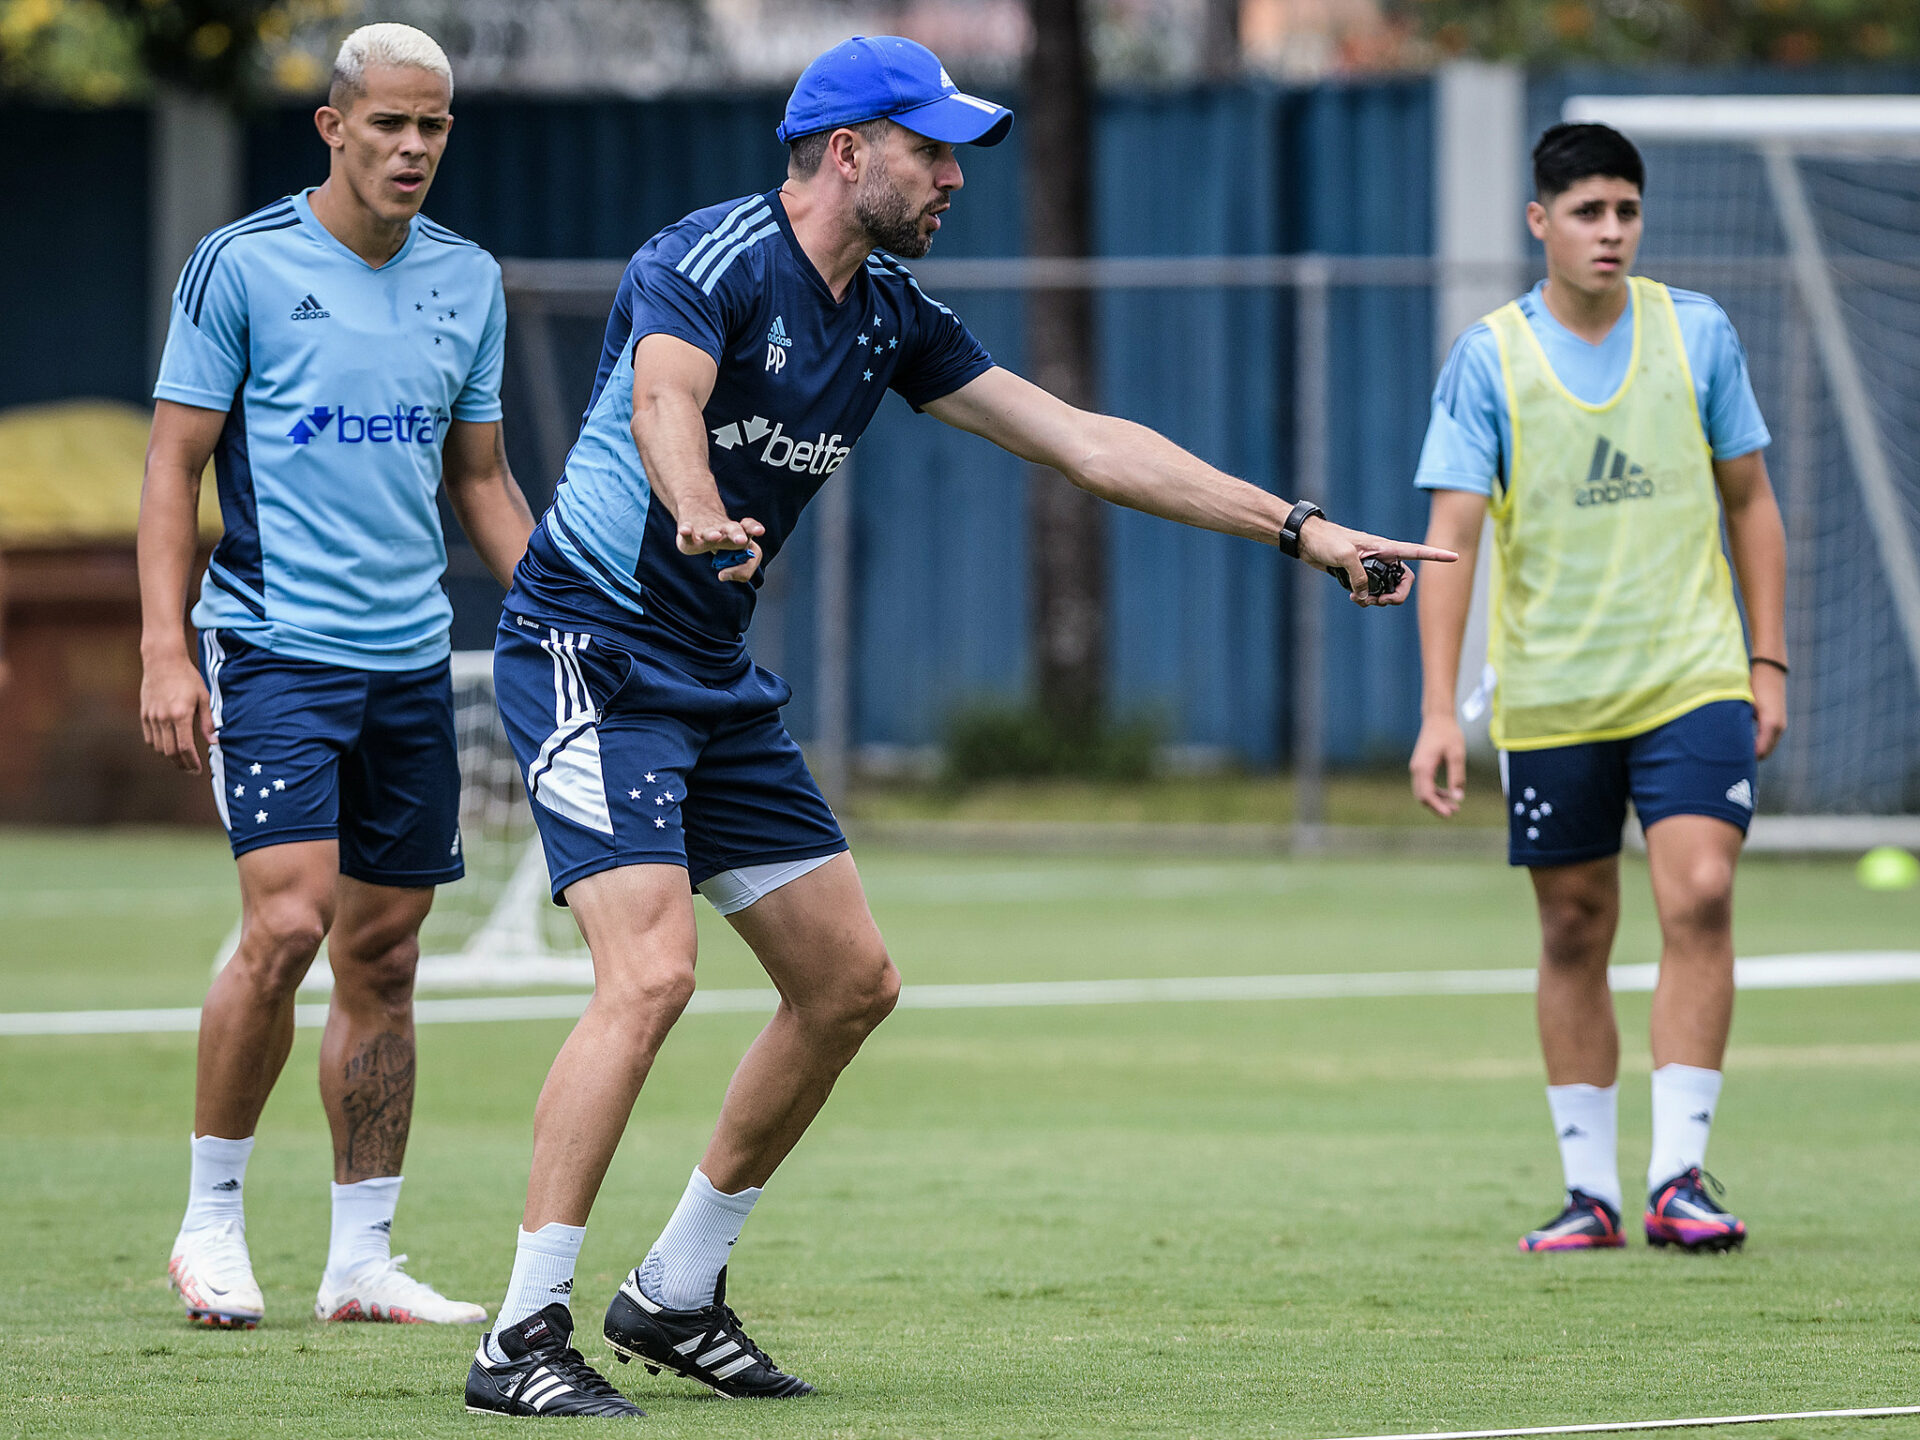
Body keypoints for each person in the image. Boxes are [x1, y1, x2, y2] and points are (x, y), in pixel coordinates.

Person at [462, 34, 1455, 1419]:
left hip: (710, 674)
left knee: (850, 985)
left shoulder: (889, 317)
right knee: (651, 977)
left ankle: (677, 1291)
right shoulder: (708, 259)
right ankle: (519, 1335)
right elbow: (663, 396)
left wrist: (1301, 528)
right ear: (848, 150)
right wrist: (689, 502)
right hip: (595, 650)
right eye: (931, 151)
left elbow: (1088, 443)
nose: (953, 178)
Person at [137, 23, 535, 1329]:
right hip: (269, 646)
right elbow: (171, 466)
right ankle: (210, 1227)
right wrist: (161, 646)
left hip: (409, 660)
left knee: (388, 955)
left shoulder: (468, 280)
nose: (413, 148)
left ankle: (361, 1259)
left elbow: (480, 480)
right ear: (334, 125)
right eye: (389, 125)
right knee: (290, 924)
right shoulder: (242, 266)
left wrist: (564, 621)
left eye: (433, 128)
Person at [1408, 123, 1787, 1255]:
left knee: (1702, 895)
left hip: (1692, 675)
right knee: (1575, 925)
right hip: (1556, 695)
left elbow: (1753, 504)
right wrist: (1439, 708)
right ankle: (1592, 1192)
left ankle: (1678, 1174)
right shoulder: (1490, 357)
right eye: (1588, 212)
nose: (1610, 231)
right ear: (1541, 223)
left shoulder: (1697, 334)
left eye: (1626, 210)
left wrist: (1767, 659)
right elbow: (1451, 541)